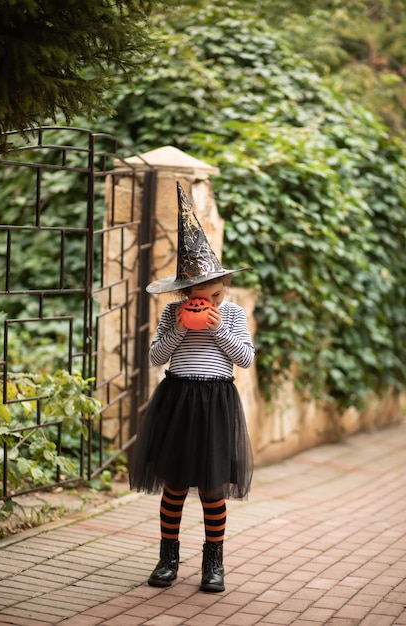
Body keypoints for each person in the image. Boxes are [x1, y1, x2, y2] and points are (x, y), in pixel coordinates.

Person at [129, 181, 254, 593]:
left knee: (213, 488)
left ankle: (213, 564)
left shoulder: (232, 314)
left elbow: (245, 359)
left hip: (216, 400)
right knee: (175, 486)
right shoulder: (172, 314)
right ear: (185, 296)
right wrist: (182, 327)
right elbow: (155, 357)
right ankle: (168, 558)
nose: (209, 304)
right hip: (179, 398)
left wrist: (219, 332)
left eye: (216, 296)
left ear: (224, 289)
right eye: (201, 298)